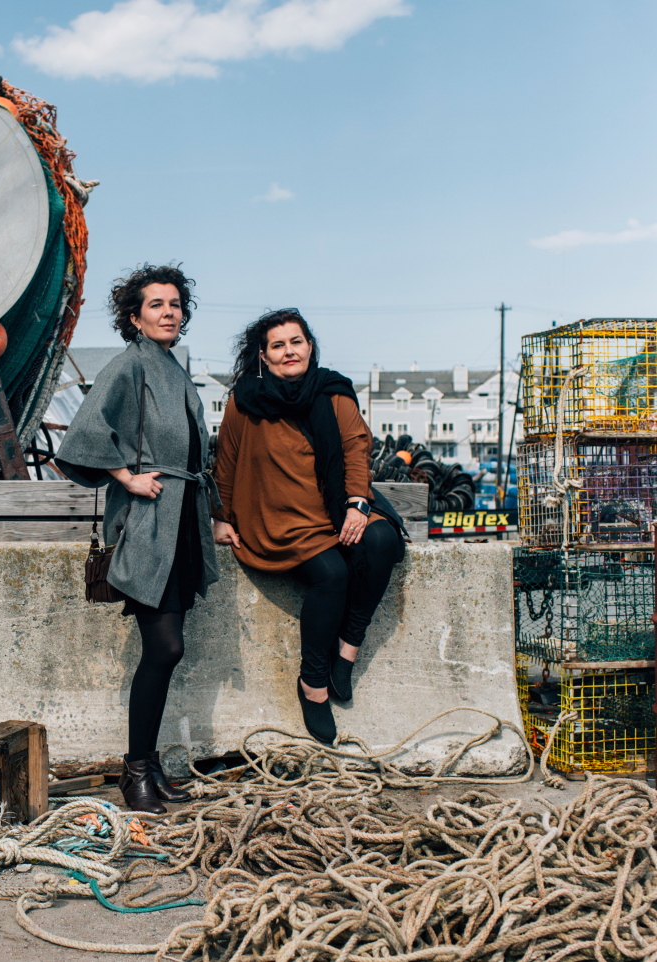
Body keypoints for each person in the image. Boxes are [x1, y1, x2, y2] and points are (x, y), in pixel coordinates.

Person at [56, 264, 219, 814]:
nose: (169, 312)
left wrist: (215, 514)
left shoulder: (173, 369)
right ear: (134, 316)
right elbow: (84, 434)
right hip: (151, 524)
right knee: (165, 647)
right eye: (157, 304)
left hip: (183, 523)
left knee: (169, 651)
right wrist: (126, 476)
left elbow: (197, 452)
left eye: (176, 304)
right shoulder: (129, 366)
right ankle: (135, 772)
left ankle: (149, 768)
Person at [212, 309, 404, 744]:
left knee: (381, 538)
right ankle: (313, 684)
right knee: (332, 574)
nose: (289, 351)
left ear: (310, 346)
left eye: (295, 341)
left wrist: (357, 503)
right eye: (278, 345)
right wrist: (220, 517)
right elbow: (226, 460)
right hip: (277, 517)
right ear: (264, 356)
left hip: (333, 507)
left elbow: (356, 447)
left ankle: (346, 652)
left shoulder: (332, 391)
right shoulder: (245, 399)